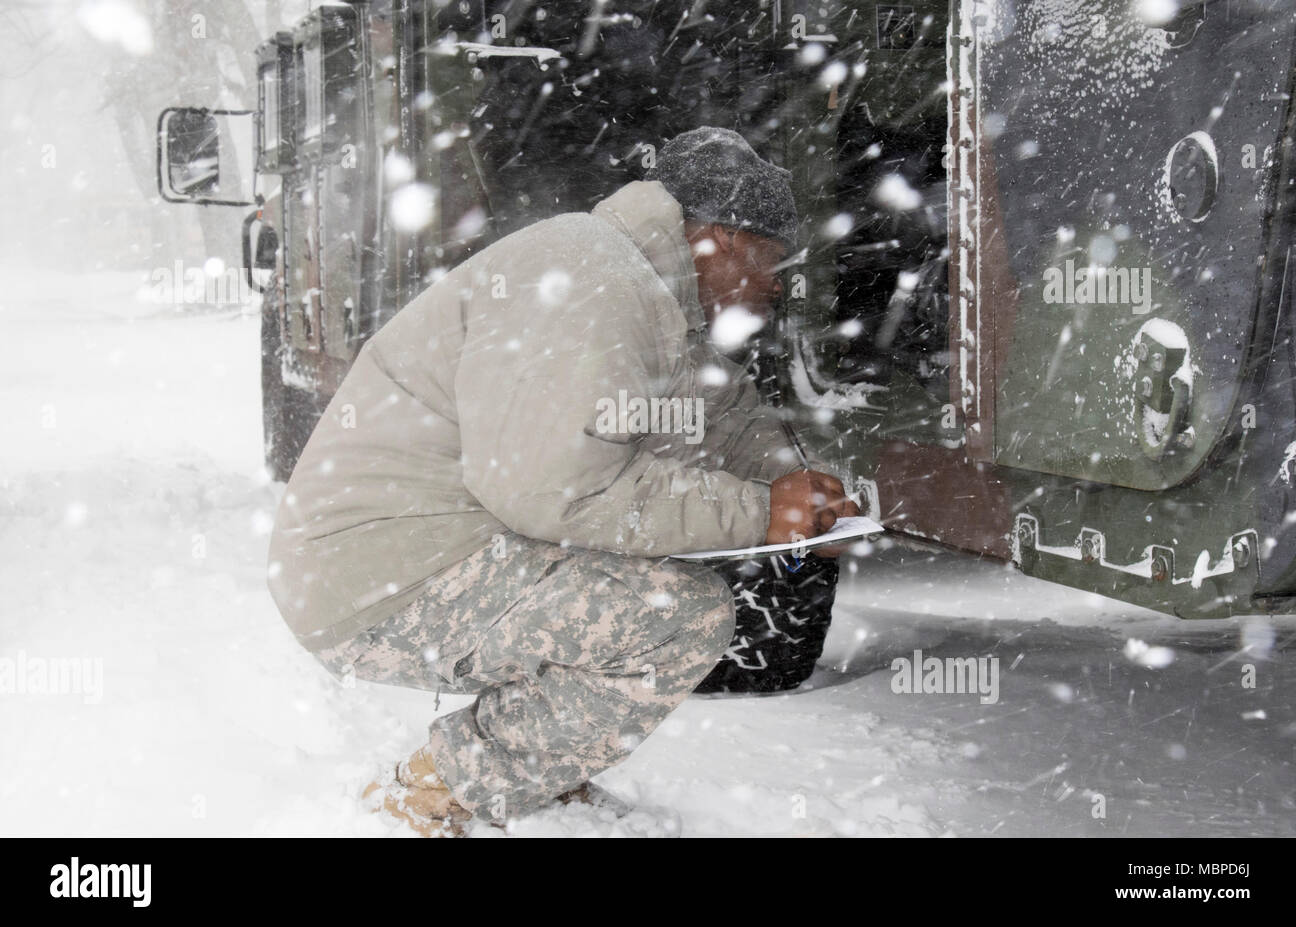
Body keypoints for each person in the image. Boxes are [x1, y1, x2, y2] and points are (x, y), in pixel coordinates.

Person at [266, 126, 859, 835]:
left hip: (410, 551)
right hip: (375, 575)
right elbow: (557, 491)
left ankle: (531, 773)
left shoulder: (643, 289)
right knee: (677, 619)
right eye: (771, 260)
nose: (774, 286)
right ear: (727, 240)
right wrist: (760, 513)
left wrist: (799, 486)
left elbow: (716, 416)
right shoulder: (593, 288)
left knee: (627, 581)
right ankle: (433, 792)